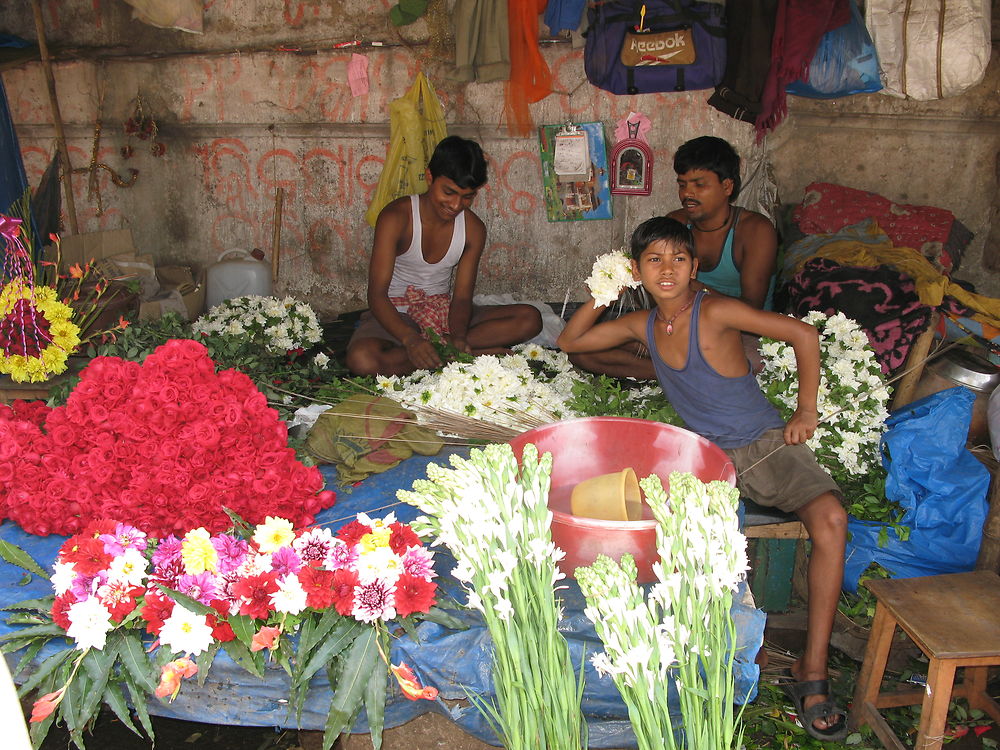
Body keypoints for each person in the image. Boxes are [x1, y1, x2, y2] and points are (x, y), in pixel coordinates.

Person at [557, 216, 849, 743]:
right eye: (653, 261)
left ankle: (813, 668)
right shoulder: (642, 324)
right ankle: (696, 668)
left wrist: (805, 412)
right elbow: (569, 340)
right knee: (691, 553)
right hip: (703, 456)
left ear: (695, 266)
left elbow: (803, 334)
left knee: (831, 519)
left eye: (678, 259)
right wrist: (606, 287)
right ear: (637, 270)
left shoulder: (715, 311)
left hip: (763, 442)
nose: (666, 270)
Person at [569, 135, 778, 379]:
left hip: (736, 334)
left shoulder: (755, 230)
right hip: (680, 327)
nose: (687, 193)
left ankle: (682, 371)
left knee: (749, 364)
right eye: (682, 185)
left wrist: (693, 287)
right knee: (583, 351)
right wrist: (614, 285)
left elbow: (752, 310)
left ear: (727, 187)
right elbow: (654, 297)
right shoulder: (675, 223)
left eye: (699, 185)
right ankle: (679, 375)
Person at [346, 136, 542, 376]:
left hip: (445, 313)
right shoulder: (396, 217)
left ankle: (449, 351)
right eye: (449, 192)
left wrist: (458, 336)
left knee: (529, 319)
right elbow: (376, 295)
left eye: (467, 196)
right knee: (362, 360)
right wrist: (410, 339)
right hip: (398, 313)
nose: (456, 204)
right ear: (430, 177)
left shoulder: (473, 229)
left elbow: (461, 298)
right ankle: (464, 353)